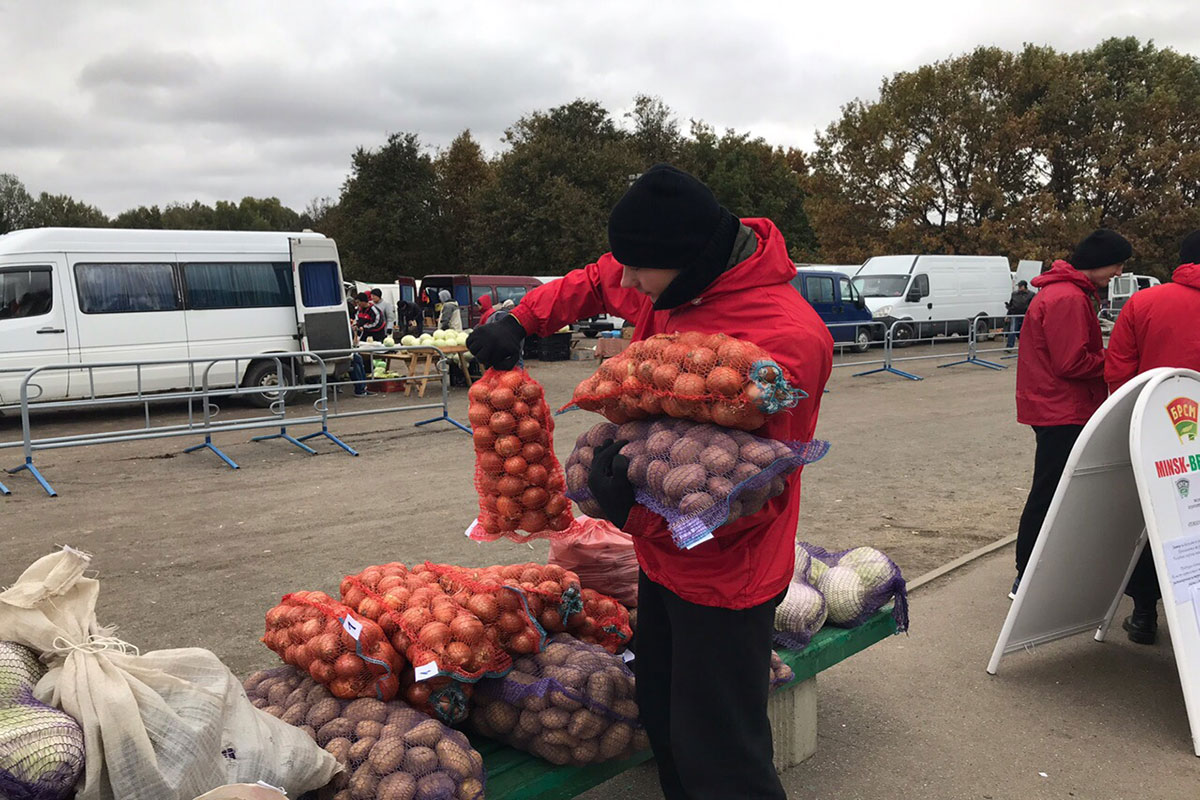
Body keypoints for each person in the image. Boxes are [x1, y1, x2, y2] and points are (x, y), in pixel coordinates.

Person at [467, 163, 833, 800]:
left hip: (727, 577)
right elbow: (597, 278)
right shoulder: (673, 279)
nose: (626, 283)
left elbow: (750, 499)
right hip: (661, 565)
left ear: (688, 260)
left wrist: (627, 507)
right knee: (663, 720)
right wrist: (522, 320)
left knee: (721, 756)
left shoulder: (783, 341)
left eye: (639, 270)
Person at [1012, 229, 1130, 599]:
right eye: (1117, 263)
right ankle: (1027, 571)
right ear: (1097, 262)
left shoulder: (1066, 292)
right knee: (1050, 490)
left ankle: (1032, 568)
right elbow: (1071, 361)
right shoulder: (1068, 297)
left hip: (1055, 404)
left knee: (1052, 487)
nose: (1119, 271)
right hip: (1062, 407)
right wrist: (1116, 358)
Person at [1102, 230, 1200, 643]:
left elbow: (1119, 373)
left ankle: (1144, 613)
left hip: (1157, 432)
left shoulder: (1144, 302)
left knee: (1152, 520)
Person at [1005, 280, 1033, 350]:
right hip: (1015, 314)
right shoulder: (1014, 294)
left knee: (1025, 331)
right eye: (1019, 286)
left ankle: (1026, 346)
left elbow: (1033, 305)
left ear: (1025, 286)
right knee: (1013, 330)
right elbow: (1011, 304)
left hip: (1025, 315)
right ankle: (1009, 346)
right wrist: (1008, 315)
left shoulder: (1031, 294)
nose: (1019, 288)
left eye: (1021, 286)